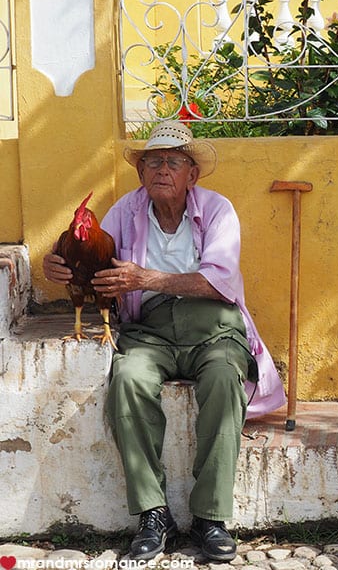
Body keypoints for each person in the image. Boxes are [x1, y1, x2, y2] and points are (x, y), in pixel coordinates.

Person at [43, 120, 286, 562]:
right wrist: (54, 265)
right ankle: (154, 515)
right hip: (149, 329)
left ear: (192, 174)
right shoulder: (126, 210)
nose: (162, 169)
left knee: (223, 381)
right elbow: (86, 253)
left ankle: (211, 517)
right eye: (153, 161)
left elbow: (220, 280)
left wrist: (147, 278)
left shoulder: (217, 210)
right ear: (140, 173)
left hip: (214, 329)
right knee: (129, 380)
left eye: (174, 162)